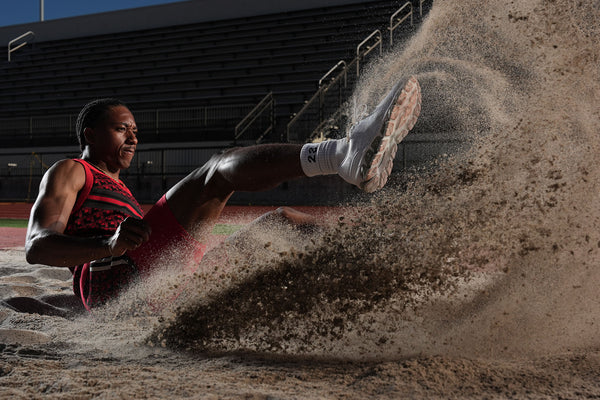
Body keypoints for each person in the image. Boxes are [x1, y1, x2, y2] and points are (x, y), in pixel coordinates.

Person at [17, 76, 421, 313]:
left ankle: (385, 266)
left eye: (136, 131)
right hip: (114, 279)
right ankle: (340, 154)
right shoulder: (72, 170)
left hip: (159, 281)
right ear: (90, 134)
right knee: (216, 171)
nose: (133, 138)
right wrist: (108, 244)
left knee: (281, 224)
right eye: (123, 129)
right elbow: (37, 248)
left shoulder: (122, 190)